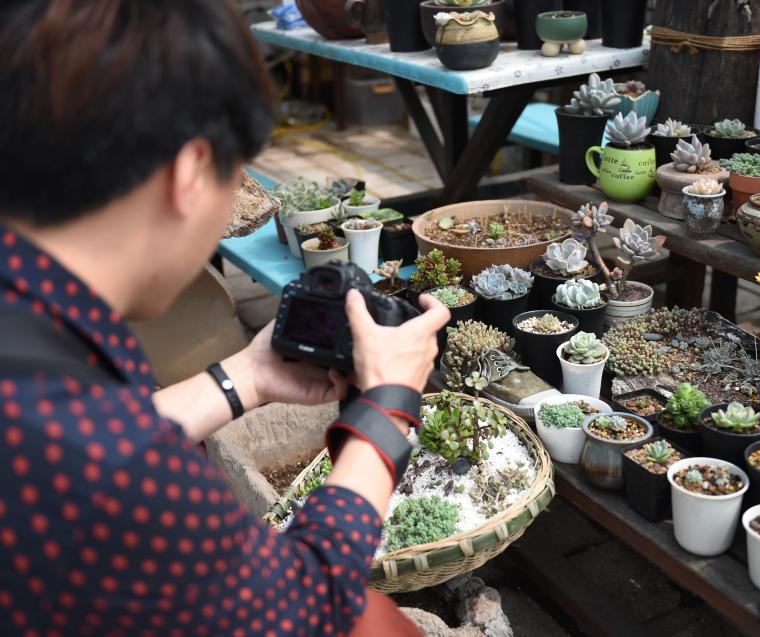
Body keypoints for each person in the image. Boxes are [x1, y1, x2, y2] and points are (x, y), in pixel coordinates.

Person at [0, 1, 450, 635]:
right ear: (189, 174)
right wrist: (388, 408)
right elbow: (309, 608)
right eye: (236, 176)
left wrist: (248, 374)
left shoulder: (42, 358)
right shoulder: (111, 464)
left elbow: (89, 442)